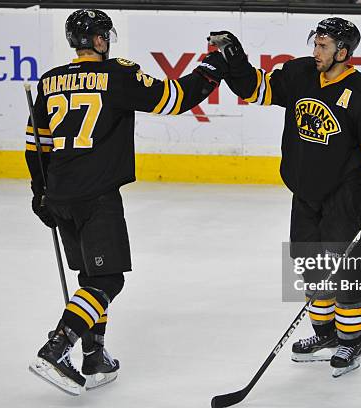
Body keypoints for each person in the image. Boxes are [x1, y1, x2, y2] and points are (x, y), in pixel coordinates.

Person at [25, 9, 226, 395]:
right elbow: (175, 98)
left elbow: (37, 146)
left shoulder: (49, 82)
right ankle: (57, 347)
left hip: (61, 196)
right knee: (107, 279)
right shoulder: (118, 74)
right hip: (96, 196)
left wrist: (40, 192)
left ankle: (94, 356)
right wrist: (212, 66)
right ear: (99, 40)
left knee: (90, 280)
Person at [210, 17, 361, 377]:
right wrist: (234, 58)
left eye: (323, 46)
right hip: (305, 192)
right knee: (311, 265)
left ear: (343, 52)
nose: (316, 52)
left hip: (346, 192)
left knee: (344, 270)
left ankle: (351, 340)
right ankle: (325, 335)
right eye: (315, 44)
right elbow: (256, 90)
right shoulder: (300, 74)